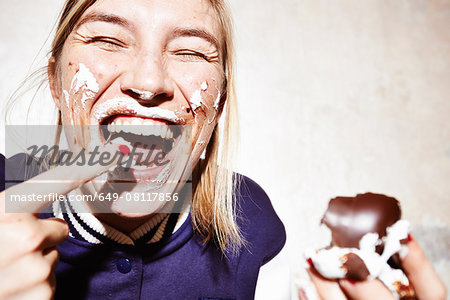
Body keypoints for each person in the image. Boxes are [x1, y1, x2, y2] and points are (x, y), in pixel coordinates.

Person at [0, 1, 446, 300]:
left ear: (220, 100)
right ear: (57, 80)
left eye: (191, 51)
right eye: (108, 40)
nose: (149, 82)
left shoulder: (252, 219)